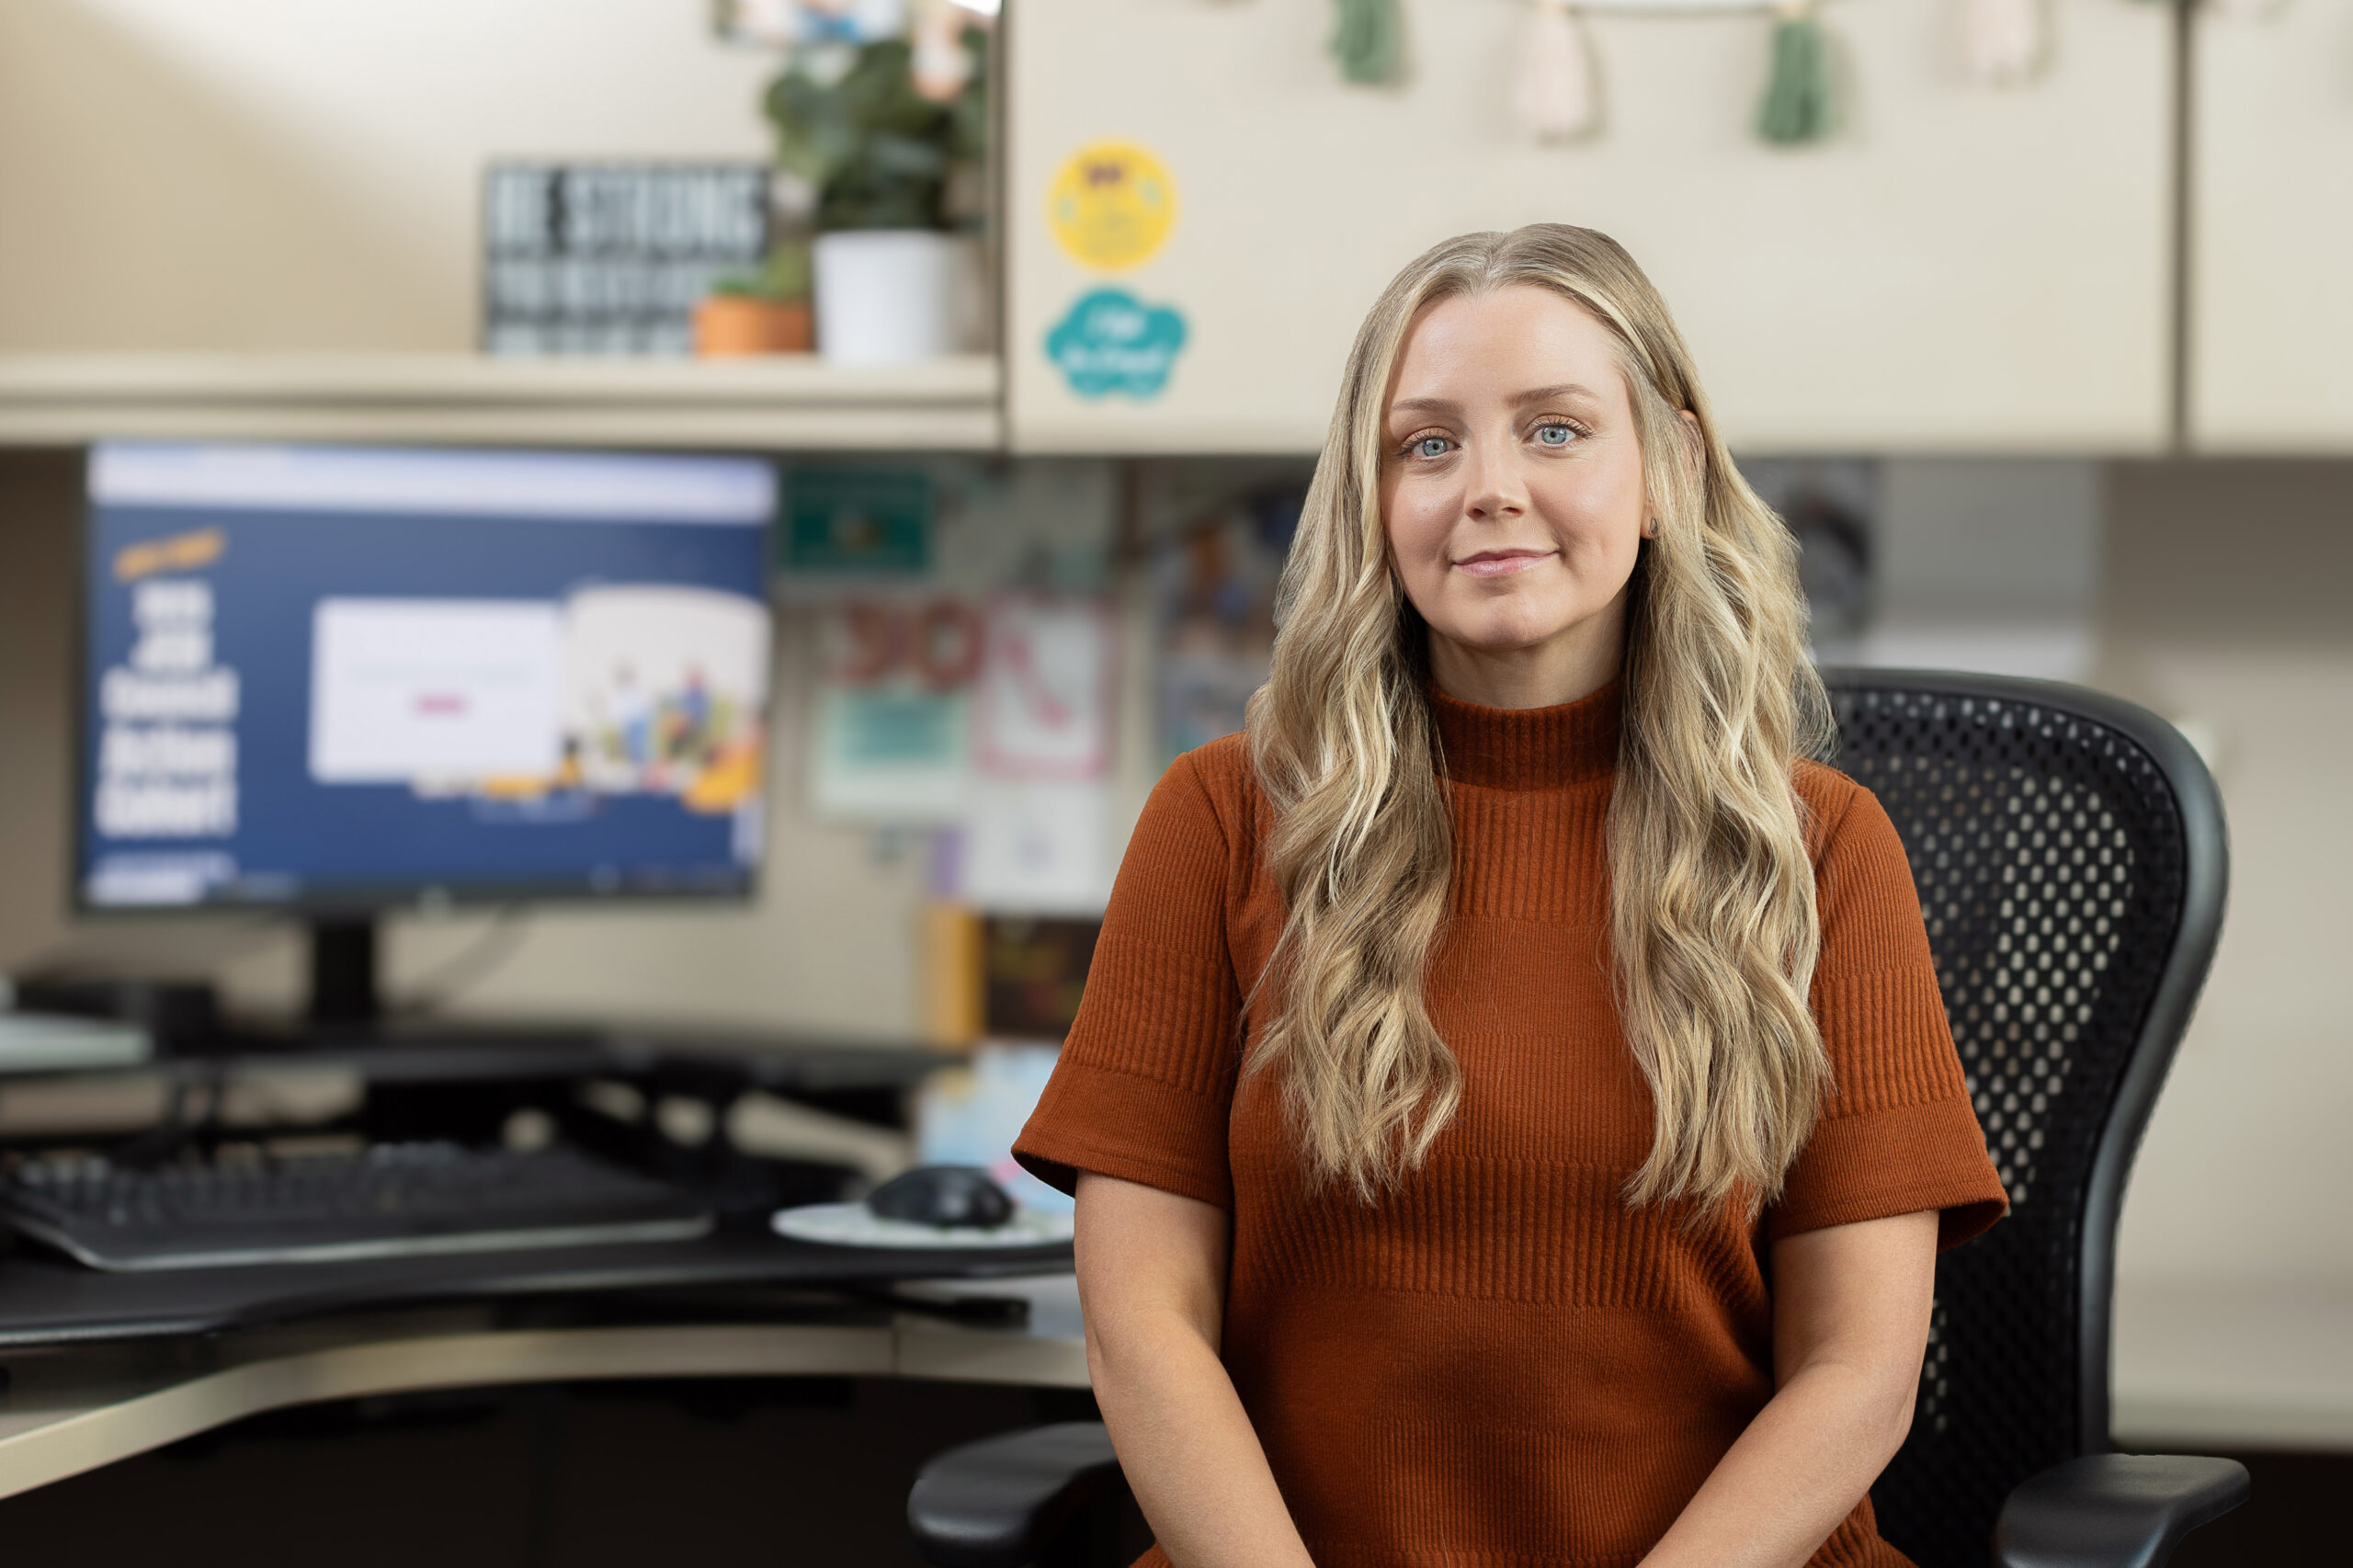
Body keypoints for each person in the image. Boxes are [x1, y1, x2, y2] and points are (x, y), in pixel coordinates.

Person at [1011, 224, 2007, 1568]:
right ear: (1372, 503)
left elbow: (1858, 1376)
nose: (1486, 488)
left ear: (1667, 473)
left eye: (1554, 431)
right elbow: (1144, 1326)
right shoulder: (1220, 820)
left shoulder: (1821, 849)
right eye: (1425, 444)